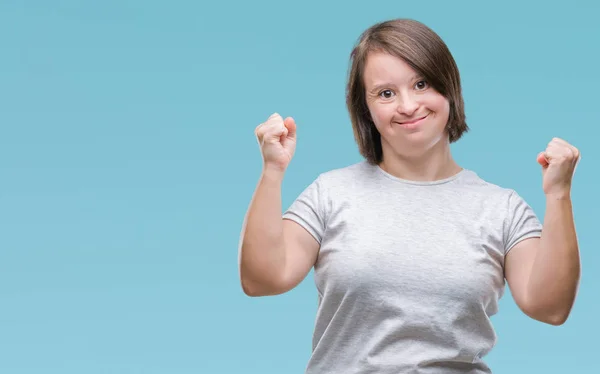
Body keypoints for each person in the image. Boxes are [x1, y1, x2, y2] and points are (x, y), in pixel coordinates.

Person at [238, 18, 581, 374]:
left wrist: (558, 195)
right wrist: (272, 171)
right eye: (386, 93)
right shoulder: (331, 193)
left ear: (448, 87)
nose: (407, 105)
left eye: (421, 84)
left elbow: (550, 307)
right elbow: (263, 278)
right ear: (366, 110)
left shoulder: (501, 208)